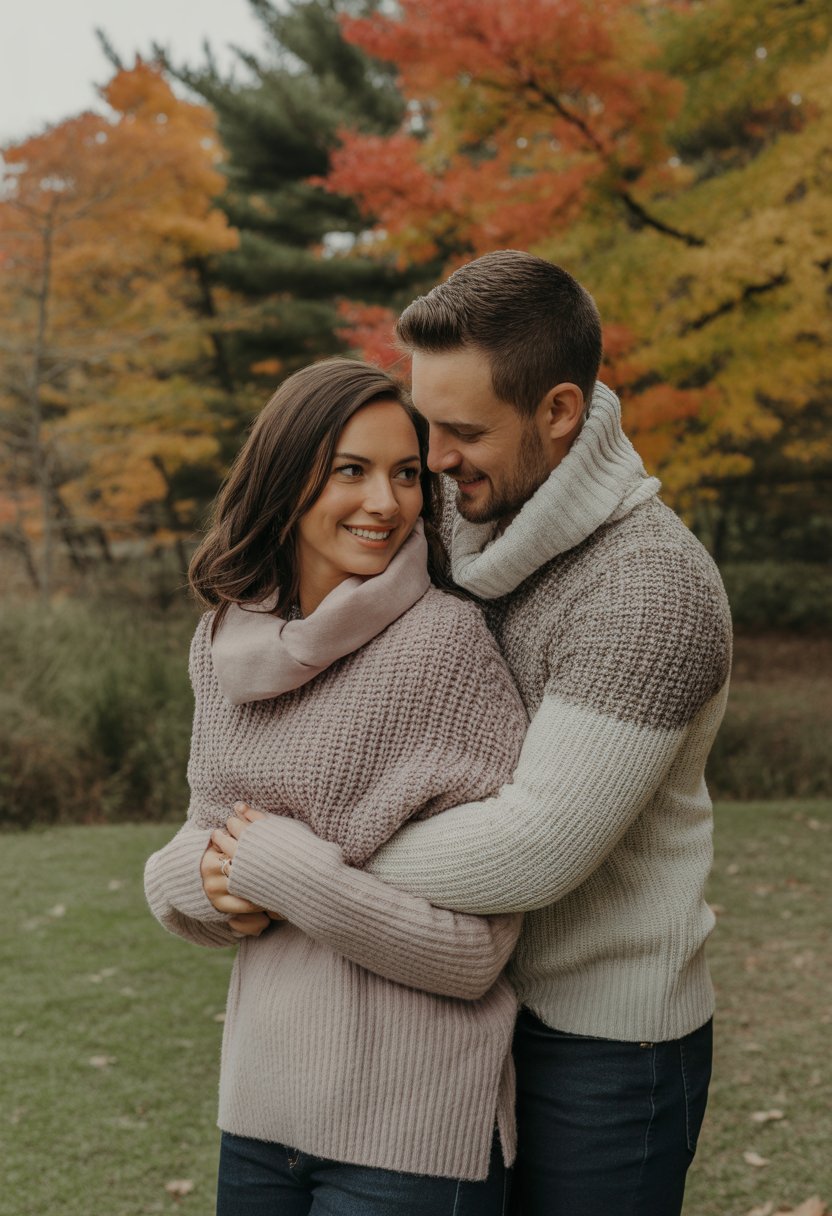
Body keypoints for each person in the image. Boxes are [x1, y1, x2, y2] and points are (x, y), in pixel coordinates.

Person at [214, 252, 733, 1216]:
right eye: (426, 428)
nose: (436, 465)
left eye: (462, 432)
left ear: (560, 413)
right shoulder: (447, 519)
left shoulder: (652, 591)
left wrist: (283, 860)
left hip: (598, 1039)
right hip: (434, 1015)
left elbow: (531, 849)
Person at [143, 358, 529, 1216]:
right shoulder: (223, 644)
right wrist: (192, 880)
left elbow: (476, 952)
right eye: (351, 470)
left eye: (404, 475)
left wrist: (286, 874)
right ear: (286, 481)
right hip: (258, 1112)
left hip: (409, 1137)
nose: (386, 505)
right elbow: (201, 834)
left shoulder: (444, 647)